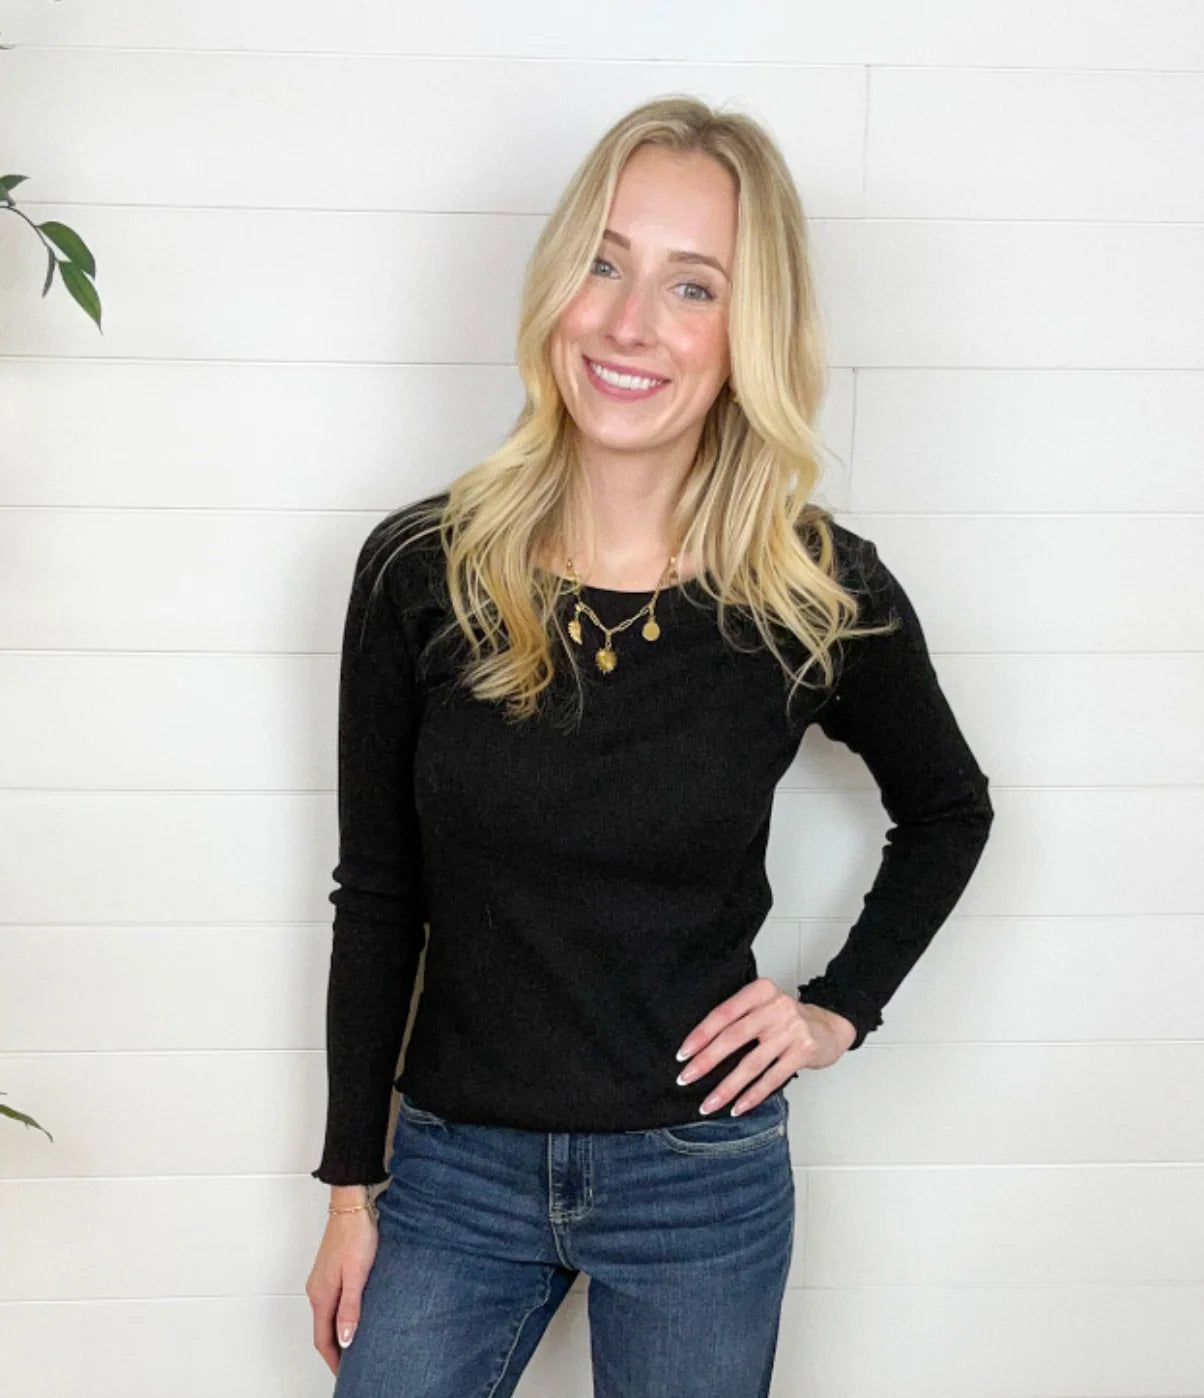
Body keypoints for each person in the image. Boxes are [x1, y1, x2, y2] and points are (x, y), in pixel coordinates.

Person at [305, 95, 994, 1397]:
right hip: (455, 1170)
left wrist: (836, 1009)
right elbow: (379, 894)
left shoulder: (811, 589)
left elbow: (950, 808)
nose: (629, 323)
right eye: (604, 263)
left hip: (698, 1181)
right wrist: (351, 1188)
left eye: (692, 287)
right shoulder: (421, 569)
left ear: (748, 335)